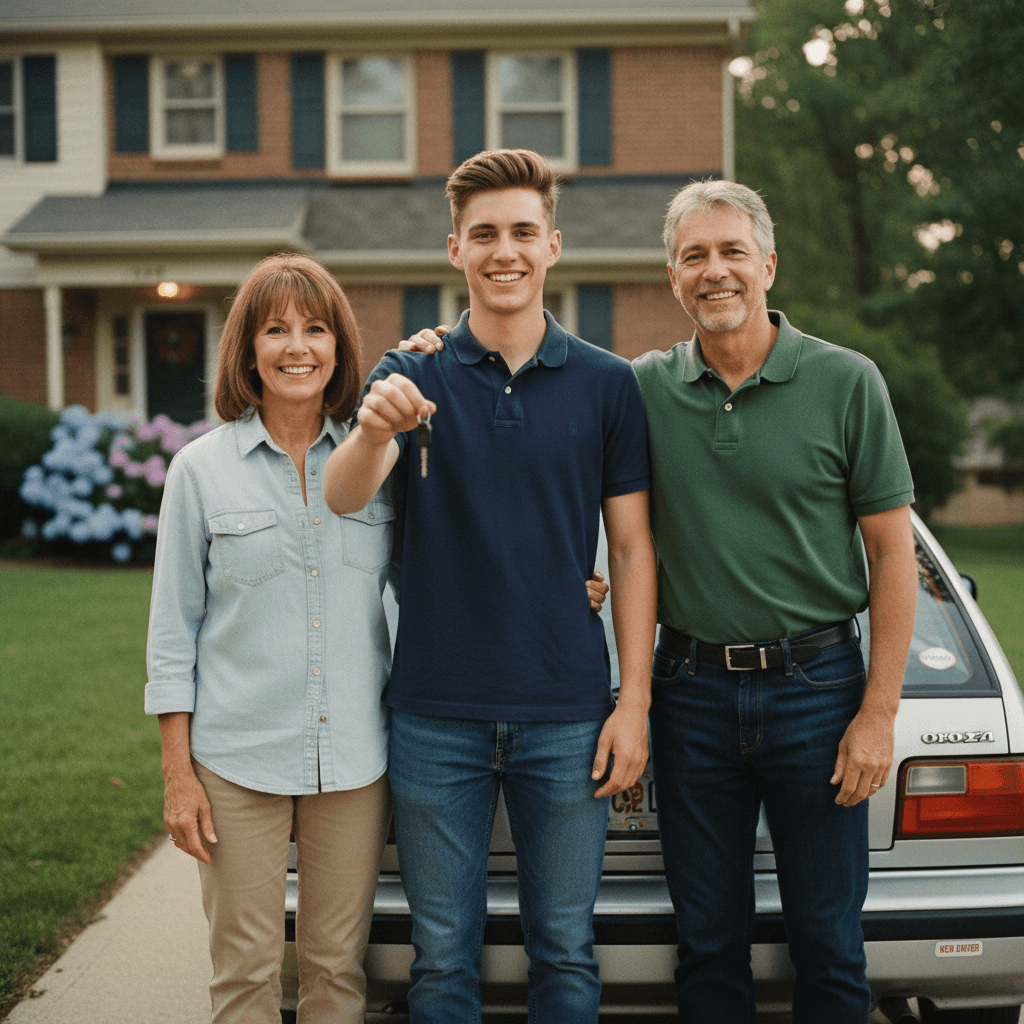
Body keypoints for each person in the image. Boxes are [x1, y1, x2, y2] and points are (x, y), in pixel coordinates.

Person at [322, 148, 657, 1023]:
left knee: (566, 952)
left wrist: (634, 704)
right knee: (441, 962)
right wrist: (369, 427)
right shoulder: (411, 371)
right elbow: (343, 495)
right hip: (434, 714)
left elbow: (628, 550)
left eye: (520, 232)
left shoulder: (608, 384)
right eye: (483, 235)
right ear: (455, 249)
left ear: (553, 244)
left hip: (569, 712)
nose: (503, 251)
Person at [635, 180, 917, 1023]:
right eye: (694, 256)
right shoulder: (642, 390)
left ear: (768, 265)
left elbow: (893, 553)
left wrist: (878, 712)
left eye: (731, 252)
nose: (714, 271)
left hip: (820, 694)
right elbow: (605, 519)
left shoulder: (846, 382)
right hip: (690, 694)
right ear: (673, 275)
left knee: (829, 943)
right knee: (709, 942)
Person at [144, 253, 394, 1024]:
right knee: (246, 978)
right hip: (236, 763)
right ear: (248, 349)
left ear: (339, 348)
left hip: (352, 762)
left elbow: (451, 571)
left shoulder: (382, 457)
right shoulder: (199, 472)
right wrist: (179, 774)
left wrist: (574, 583)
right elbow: (171, 632)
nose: (298, 347)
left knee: (335, 973)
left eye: (316, 329)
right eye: (276, 329)